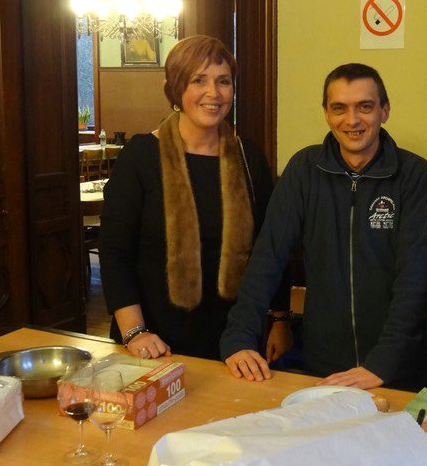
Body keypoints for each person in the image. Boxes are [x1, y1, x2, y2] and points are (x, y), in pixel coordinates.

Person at [219, 63, 427, 390]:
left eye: (365, 107)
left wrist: (383, 363)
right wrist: (239, 336)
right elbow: (268, 256)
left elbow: (415, 276)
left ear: (385, 111)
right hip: (323, 366)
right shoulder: (303, 170)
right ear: (326, 113)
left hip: (398, 369)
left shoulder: (413, 173)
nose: (352, 120)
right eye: (339, 108)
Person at [99, 35, 292, 361]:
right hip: (151, 341)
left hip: (235, 339)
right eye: (198, 80)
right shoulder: (141, 156)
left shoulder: (249, 158)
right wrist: (135, 332)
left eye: (223, 81)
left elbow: (271, 247)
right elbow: (114, 251)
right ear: (176, 89)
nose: (213, 93)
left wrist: (280, 318)